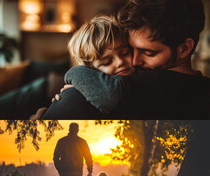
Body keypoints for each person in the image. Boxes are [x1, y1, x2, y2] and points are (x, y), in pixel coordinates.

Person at [40, 0, 210, 119]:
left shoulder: (102, 94)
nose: (133, 61)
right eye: (131, 49)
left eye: (148, 53)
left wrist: (76, 74)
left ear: (184, 49)